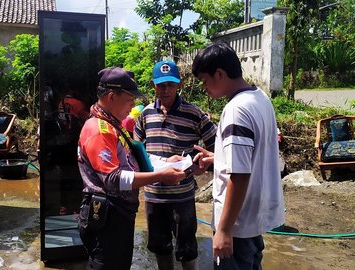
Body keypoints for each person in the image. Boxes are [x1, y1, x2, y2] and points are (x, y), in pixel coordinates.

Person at [77, 66, 186, 270]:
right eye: (130, 99)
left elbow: (130, 159)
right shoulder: (99, 129)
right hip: (107, 216)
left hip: (118, 214)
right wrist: (159, 175)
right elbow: (113, 179)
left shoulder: (112, 124)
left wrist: (164, 162)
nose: (133, 104)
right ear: (111, 96)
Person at [191, 43, 285, 270]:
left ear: (220, 74)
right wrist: (220, 158)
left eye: (205, 81)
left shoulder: (236, 110)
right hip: (253, 219)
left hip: (237, 225)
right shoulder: (259, 98)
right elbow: (255, 153)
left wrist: (223, 230)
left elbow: (240, 174)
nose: (204, 88)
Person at [134, 60, 217, 270]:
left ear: (178, 84)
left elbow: (218, 147)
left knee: (187, 247)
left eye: (170, 84)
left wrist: (202, 166)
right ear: (153, 85)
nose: (166, 89)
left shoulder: (194, 114)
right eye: (161, 85)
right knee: (160, 246)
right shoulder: (145, 115)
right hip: (154, 195)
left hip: (183, 196)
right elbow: (136, 151)